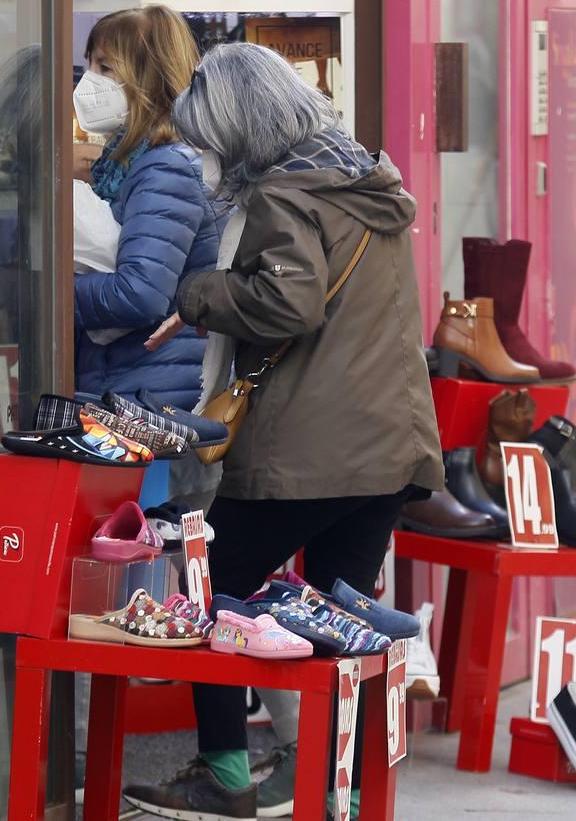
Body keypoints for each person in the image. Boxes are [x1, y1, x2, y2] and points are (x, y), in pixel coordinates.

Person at [126, 42, 445, 821]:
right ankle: (346, 787)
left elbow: (289, 304)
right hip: (388, 446)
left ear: (240, 124)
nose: (207, 153)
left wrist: (202, 292)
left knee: (212, 591)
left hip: (316, 450)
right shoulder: (366, 181)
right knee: (341, 619)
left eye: (209, 136)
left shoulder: (284, 193)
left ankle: (226, 774)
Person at [73, 5, 224, 410]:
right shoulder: (130, 161)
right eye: (90, 64)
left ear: (148, 79)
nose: (90, 81)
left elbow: (141, 293)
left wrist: (48, 294)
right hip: (137, 384)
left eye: (106, 68)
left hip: (154, 401)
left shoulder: (165, 166)